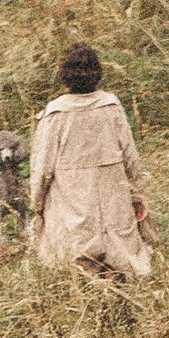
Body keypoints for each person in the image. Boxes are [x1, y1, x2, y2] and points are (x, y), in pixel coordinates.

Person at [26, 39, 154, 284]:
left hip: (71, 198)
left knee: (77, 260)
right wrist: (137, 195)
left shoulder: (55, 113)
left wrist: (37, 203)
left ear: (64, 75)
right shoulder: (111, 106)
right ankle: (122, 312)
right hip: (112, 196)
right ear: (97, 73)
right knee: (120, 259)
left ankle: (90, 311)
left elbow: (41, 167)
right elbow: (131, 157)